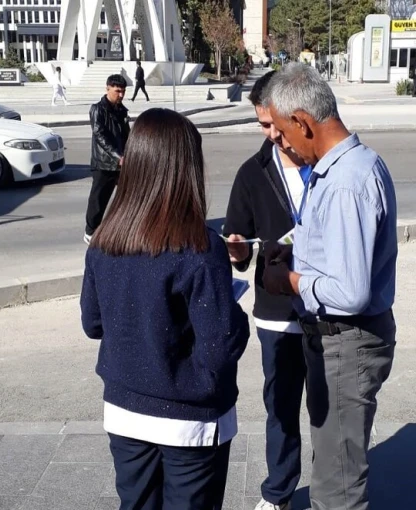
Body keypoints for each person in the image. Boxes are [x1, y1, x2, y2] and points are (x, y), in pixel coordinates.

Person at [80, 108, 251, 509]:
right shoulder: (200, 247)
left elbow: (92, 323)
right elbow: (219, 348)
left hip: (124, 409)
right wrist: (236, 315)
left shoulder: (106, 240)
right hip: (189, 419)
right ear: (185, 169)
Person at [260, 63, 398, 510]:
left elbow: (350, 292)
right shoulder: (337, 168)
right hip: (338, 342)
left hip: (348, 341)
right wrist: (293, 253)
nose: (279, 142)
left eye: (282, 132)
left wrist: (292, 280)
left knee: (336, 486)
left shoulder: (346, 181)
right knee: (332, 464)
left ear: (302, 122)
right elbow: (329, 246)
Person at [223, 70, 309, 510]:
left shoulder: (327, 162)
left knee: (333, 411)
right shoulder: (252, 173)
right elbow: (238, 246)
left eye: (276, 123)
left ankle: (337, 492)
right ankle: (279, 492)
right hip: (277, 312)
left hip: (332, 308)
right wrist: (237, 251)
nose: (272, 134)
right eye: (262, 125)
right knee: (280, 407)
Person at [84, 74, 130, 244]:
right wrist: (118, 157)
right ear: (107, 88)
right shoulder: (97, 109)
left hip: (122, 163)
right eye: (117, 91)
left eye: (123, 91)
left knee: (126, 197)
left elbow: (127, 135)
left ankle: (120, 229)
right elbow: (100, 135)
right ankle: (91, 232)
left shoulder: (122, 110)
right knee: (98, 200)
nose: (121, 95)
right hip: (103, 163)